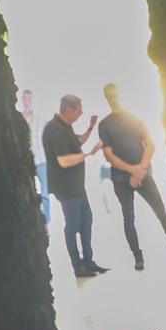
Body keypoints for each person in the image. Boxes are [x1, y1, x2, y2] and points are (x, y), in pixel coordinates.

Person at [97, 82, 166, 270]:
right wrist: (132, 171)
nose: (113, 99)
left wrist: (140, 169)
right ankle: (138, 257)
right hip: (122, 180)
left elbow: (150, 144)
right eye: (109, 96)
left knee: (161, 212)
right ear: (106, 99)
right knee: (128, 217)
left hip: (143, 174)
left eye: (115, 95)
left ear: (120, 95)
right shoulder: (105, 125)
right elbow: (108, 155)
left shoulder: (135, 119)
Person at [41, 93, 107, 277]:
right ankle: (78, 267)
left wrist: (91, 128)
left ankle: (88, 261)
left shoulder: (65, 127)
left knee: (86, 220)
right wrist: (89, 154)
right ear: (69, 110)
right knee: (73, 224)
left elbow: (77, 141)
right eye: (79, 110)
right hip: (66, 188)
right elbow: (63, 161)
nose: (81, 113)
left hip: (76, 186)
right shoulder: (54, 130)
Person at [17, 89, 49, 224]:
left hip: (41, 160)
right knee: (29, 190)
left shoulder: (40, 119)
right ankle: (33, 220)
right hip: (27, 161)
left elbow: (48, 137)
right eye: (24, 99)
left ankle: (47, 220)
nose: (27, 101)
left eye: (29, 99)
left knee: (45, 192)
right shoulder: (19, 119)